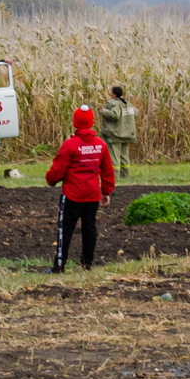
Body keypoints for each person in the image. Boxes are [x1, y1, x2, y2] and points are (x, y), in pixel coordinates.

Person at [46, 105, 116, 272]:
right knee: (89, 228)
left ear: (75, 123)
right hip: (92, 196)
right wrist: (106, 191)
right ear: (92, 123)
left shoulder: (70, 145)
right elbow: (107, 170)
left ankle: (59, 265)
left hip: (72, 196)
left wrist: (51, 180)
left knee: (65, 230)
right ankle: (87, 264)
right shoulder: (100, 145)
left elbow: (58, 169)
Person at [98, 85, 138, 175]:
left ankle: (115, 175)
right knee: (124, 156)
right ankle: (125, 175)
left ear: (114, 94)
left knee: (114, 156)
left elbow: (114, 115)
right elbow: (135, 113)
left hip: (116, 134)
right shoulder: (127, 103)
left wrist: (103, 111)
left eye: (111, 92)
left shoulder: (114, 103)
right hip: (127, 134)